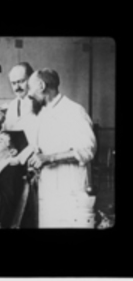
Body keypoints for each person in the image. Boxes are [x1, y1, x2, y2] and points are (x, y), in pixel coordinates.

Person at [25, 68, 97, 228]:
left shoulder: (73, 111)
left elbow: (88, 149)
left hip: (70, 194)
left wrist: (50, 158)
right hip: (47, 192)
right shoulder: (42, 113)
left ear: (42, 86)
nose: (29, 94)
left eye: (30, 88)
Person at [0, 62, 35, 132]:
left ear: (31, 79)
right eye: (14, 83)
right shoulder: (11, 106)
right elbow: (6, 131)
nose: (17, 87)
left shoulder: (41, 104)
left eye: (21, 81)